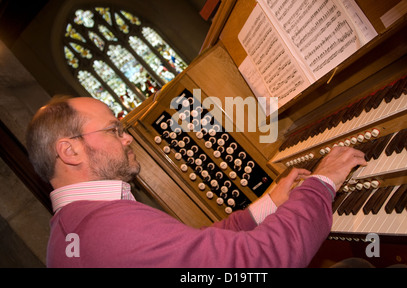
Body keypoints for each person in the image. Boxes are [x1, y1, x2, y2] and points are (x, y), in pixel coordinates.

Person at [26, 96, 367, 268]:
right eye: (115, 129)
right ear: (69, 151)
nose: (127, 138)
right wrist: (322, 181)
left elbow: (196, 249)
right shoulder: (105, 229)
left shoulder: (71, 229)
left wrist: (269, 205)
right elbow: (256, 263)